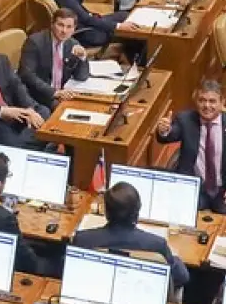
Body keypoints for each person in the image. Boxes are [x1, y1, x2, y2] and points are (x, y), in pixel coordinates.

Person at [73, 182, 189, 287]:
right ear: (137, 213)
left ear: (107, 212)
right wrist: (174, 256)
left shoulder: (82, 240)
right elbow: (182, 277)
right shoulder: (157, 245)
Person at [156, 80, 226, 212]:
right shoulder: (185, 120)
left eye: (212, 101)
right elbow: (171, 134)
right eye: (202, 100)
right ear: (196, 101)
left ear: (222, 102)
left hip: (222, 190)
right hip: (193, 187)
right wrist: (165, 130)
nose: (206, 105)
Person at [18, 9, 90, 110]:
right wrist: (54, 92)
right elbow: (26, 74)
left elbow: (81, 77)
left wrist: (82, 57)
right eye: (60, 25)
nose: (64, 31)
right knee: (66, 110)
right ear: (52, 24)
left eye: (69, 27)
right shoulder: (35, 42)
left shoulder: (73, 44)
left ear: (74, 28)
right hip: (40, 94)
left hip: (63, 93)